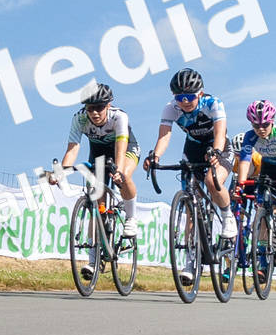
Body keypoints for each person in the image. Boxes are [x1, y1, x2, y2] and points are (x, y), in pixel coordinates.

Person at [144, 67, 235, 239]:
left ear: (200, 93)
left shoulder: (213, 103)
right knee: (190, 200)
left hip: (218, 145)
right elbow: (164, 136)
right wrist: (155, 156)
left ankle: (227, 216)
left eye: (190, 97)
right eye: (179, 97)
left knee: (211, 181)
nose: (185, 101)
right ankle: (189, 252)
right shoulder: (170, 108)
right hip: (193, 147)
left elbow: (220, 132)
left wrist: (216, 152)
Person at [52, 83, 139, 235]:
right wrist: (62, 172)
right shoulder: (79, 119)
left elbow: (121, 147)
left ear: (108, 105)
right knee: (97, 199)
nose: (94, 113)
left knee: (124, 176)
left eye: (99, 107)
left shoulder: (118, 116)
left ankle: (131, 218)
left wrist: (118, 170)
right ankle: (97, 245)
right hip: (99, 153)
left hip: (124, 148)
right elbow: (72, 149)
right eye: (90, 108)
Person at [233, 100, 276, 209]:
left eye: (265, 124)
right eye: (256, 125)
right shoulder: (250, 136)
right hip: (267, 166)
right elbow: (245, 162)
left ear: (272, 121)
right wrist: (240, 185)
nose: (261, 129)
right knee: (262, 203)